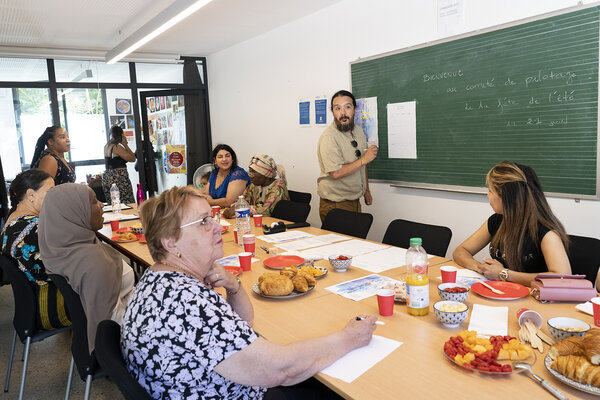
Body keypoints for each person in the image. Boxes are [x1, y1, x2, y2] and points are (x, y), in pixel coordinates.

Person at [121, 186, 376, 399]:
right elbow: (281, 369)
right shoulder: (187, 302)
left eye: (213, 217)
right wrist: (349, 338)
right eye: (204, 222)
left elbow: (242, 327)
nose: (219, 227)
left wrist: (234, 286)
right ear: (171, 242)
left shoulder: (161, 280)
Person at [38, 183, 135, 350]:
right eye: (94, 201)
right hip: (127, 336)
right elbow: (113, 323)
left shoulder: (61, 249)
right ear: (73, 213)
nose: (101, 204)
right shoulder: (94, 263)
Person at [453, 161, 571, 285]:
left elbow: (562, 278)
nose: (488, 195)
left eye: (490, 191)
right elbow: (460, 251)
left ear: (506, 197)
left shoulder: (546, 232)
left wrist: (504, 274)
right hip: (504, 292)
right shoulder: (497, 220)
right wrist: (480, 267)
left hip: (535, 299)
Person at [1, 169, 71, 330]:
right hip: (52, 309)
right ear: (31, 195)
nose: (54, 197)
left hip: (31, 307)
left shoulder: (13, 220)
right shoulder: (36, 228)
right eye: (50, 191)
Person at [317, 90, 378, 222]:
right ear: (332, 111)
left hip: (354, 200)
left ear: (355, 109)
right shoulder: (329, 137)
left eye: (347, 107)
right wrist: (363, 160)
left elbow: (363, 164)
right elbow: (336, 173)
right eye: (337, 108)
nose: (342, 113)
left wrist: (366, 190)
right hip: (335, 204)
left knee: (354, 241)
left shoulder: (359, 131)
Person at [222, 154, 289, 218]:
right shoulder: (254, 185)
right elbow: (242, 201)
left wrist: (238, 210)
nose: (250, 176)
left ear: (266, 175)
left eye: (254, 172)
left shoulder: (278, 186)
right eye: (250, 172)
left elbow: (266, 211)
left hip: (275, 224)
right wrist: (234, 208)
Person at [102, 125, 136, 204]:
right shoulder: (117, 147)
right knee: (126, 202)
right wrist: (125, 145)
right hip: (119, 178)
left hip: (108, 177)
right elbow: (132, 158)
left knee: (114, 203)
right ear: (120, 135)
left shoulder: (106, 146)